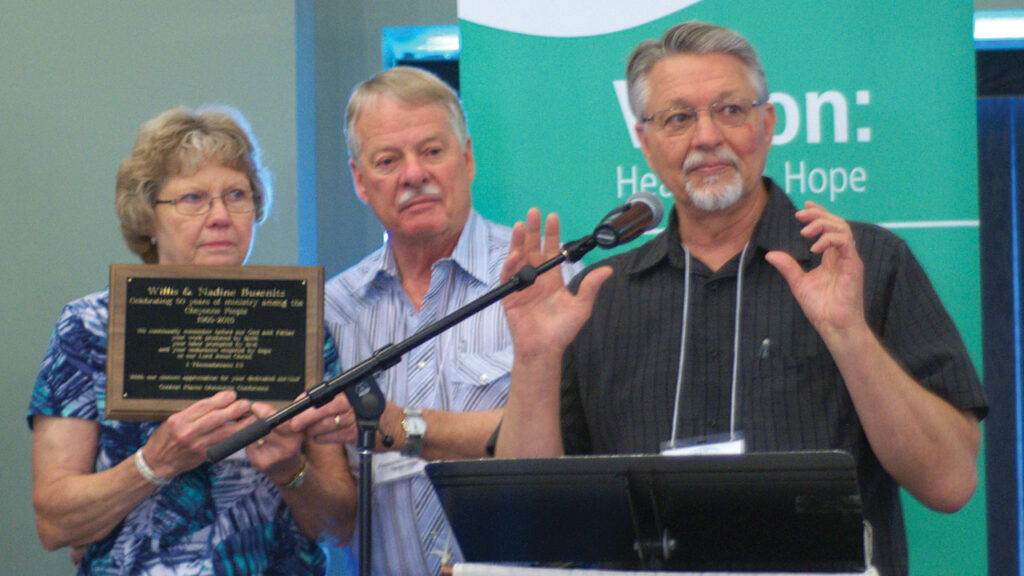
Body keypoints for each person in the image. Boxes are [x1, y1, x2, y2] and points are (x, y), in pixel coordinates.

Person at [494, 21, 987, 576]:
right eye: (679, 118)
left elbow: (950, 482)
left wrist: (849, 333)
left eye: (731, 110)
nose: (707, 137)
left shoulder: (864, 262)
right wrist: (535, 359)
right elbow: (531, 529)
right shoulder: (596, 296)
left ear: (768, 123)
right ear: (644, 140)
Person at [28, 106, 355, 575]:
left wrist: (289, 471)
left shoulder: (299, 323)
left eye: (236, 195)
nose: (220, 216)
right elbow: (54, 523)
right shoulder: (88, 329)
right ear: (148, 218)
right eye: (193, 198)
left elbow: (340, 524)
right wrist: (154, 462)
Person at [289, 66, 578, 576]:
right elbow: (336, 516)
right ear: (359, 179)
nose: (413, 174)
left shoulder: (546, 284)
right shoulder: (330, 311)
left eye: (432, 151)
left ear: (467, 158)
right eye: (387, 160)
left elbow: (574, 444)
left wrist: (407, 427)